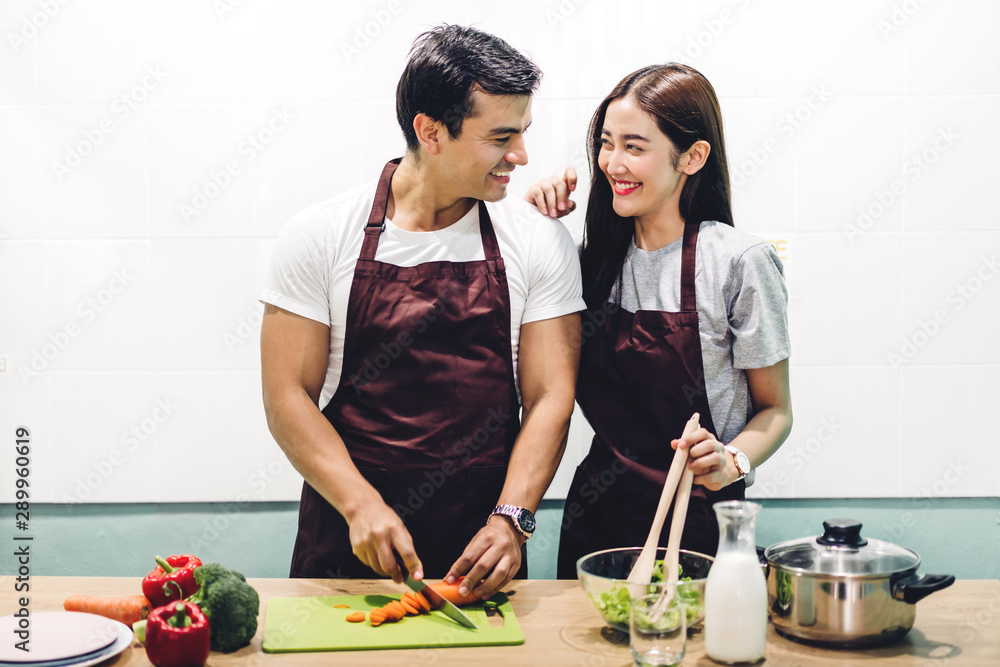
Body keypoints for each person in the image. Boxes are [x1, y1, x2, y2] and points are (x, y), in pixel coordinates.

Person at [260, 25, 584, 598]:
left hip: (482, 557)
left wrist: (513, 519)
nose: (521, 156)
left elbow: (551, 397)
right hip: (347, 545)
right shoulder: (319, 234)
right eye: (501, 136)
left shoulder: (538, 241)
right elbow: (288, 398)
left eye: (524, 132)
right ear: (430, 132)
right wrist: (360, 505)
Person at [524, 63, 792, 578]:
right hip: (596, 522)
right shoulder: (588, 263)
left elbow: (776, 411)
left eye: (635, 146)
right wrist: (536, 231)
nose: (613, 163)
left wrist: (732, 462)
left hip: (700, 523)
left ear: (693, 157)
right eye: (606, 143)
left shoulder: (740, 262)